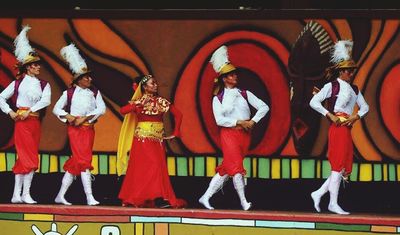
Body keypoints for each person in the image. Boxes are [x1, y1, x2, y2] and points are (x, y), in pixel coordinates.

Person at [198, 45, 269, 211]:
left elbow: (264, 107)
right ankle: (244, 201)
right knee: (236, 167)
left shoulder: (244, 93)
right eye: (231, 75)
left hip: (244, 136)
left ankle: (205, 196)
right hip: (228, 135)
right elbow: (219, 120)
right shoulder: (218, 99)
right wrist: (239, 122)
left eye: (235, 74)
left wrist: (253, 121)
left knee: (226, 168)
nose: (234, 76)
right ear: (224, 79)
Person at [309, 40, 369, 215]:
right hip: (337, 128)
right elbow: (313, 102)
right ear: (341, 71)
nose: (351, 73)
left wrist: (356, 117)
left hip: (346, 128)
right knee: (337, 166)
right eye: (348, 70)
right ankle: (332, 203)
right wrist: (330, 115)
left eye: (352, 70)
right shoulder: (332, 86)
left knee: (342, 167)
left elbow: (365, 107)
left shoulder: (354, 89)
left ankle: (318, 193)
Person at [117, 74, 186, 208]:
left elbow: (179, 115)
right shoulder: (139, 102)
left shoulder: (161, 101)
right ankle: (136, 197)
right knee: (143, 168)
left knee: (157, 168)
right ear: (144, 87)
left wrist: (176, 132)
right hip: (142, 140)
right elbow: (123, 110)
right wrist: (137, 104)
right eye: (151, 83)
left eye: (155, 83)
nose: (155, 85)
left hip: (157, 141)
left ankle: (148, 198)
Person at [0, 25, 51, 204]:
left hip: (34, 122)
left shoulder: (44, 85)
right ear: (28, 68)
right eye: (35, 65)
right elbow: (1, 98)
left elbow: (45, 101)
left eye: (38, 65)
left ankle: (18, 195)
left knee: (29, 156)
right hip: (21, 123)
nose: (38, 67)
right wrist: (11, 112)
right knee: (26, 156)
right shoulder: (18, 83)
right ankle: (23, 194)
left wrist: (30, 110)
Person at [53, 43, 106, 206]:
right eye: (86, 77)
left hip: (88, 130)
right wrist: (68, 116)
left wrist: (86, 117)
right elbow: (56, 109)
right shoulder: (68, 93)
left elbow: (102, 109)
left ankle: (60, 195)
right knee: (83, 161)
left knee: (77, 162)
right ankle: (89, 196)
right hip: (75, 131)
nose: (90, 79)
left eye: (89, 77)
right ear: (78, 79)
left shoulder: (94, 92)